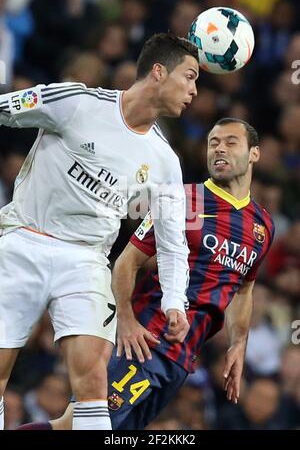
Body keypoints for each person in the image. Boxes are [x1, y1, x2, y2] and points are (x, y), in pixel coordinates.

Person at [18, 118, 275, 430]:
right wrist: (125, 320)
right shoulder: (183, 201)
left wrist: (238, 344)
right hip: (144, 342)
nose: (219, 148)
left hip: (181, 360)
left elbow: (244, 289)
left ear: (254, 154)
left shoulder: (262, 227)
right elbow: (127, 263)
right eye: (213, 142)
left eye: (230, 142)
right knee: (77, 426)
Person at [0, 32, 199, 430]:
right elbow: (5, 109)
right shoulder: (75, 103)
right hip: (24, 239)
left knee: (93, 381)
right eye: (190, 76)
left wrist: (175, 302)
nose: (194, 90)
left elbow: (174, 244)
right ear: (158, 72)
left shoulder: (166, 162)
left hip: (87, 261)